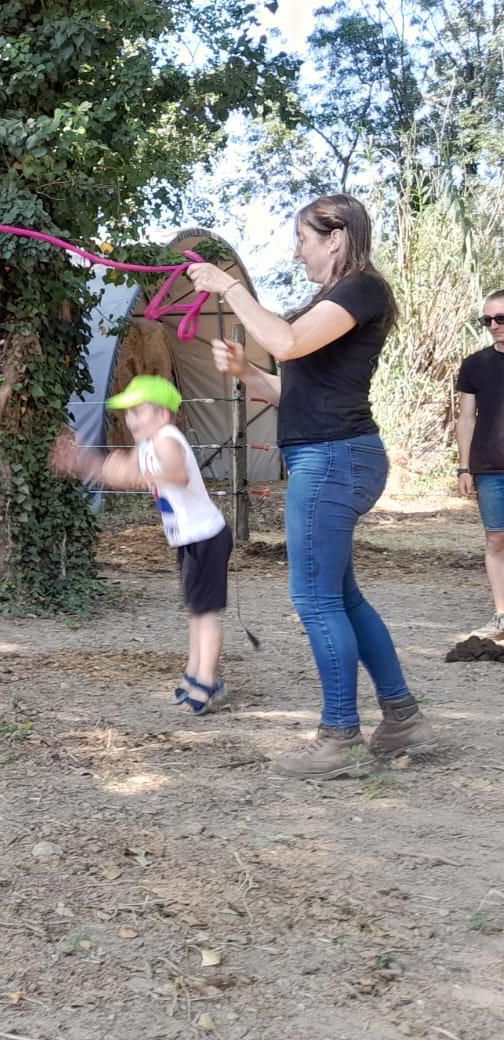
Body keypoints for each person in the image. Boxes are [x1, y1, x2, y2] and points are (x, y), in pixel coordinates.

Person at [185, 193, 437, 778]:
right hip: (326, 456)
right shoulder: (326, 301)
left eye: (302, 238)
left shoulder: (362, 290)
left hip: (334, 458)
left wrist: (229, 287)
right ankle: (401, 716)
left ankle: (340, 738)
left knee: (315, 598)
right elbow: (288, 388)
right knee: (342, 597)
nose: (296, 251)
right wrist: (245, 372)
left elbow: (288, 343)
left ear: (335, 237)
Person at [51, 375, 233, 714]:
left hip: (207, 536)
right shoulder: (148, 444)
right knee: (196, 611)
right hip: (189, 538)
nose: (130, 419)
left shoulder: (166, 439)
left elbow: (177, 475)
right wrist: (81, 463)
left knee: (206, 614)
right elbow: (116, 471)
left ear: (163, 415)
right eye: (127, 413)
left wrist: (142, 475)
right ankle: (195, 674)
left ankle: (206, 680)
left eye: (138, 411)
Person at [455, 290, 504, 636]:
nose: (493, 326)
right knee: (496, 540)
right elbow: (466, 417)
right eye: (487, 320)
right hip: (489, 468)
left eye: (500, 318)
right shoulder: (474, 365)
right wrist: (463, 466)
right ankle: (502, 615)